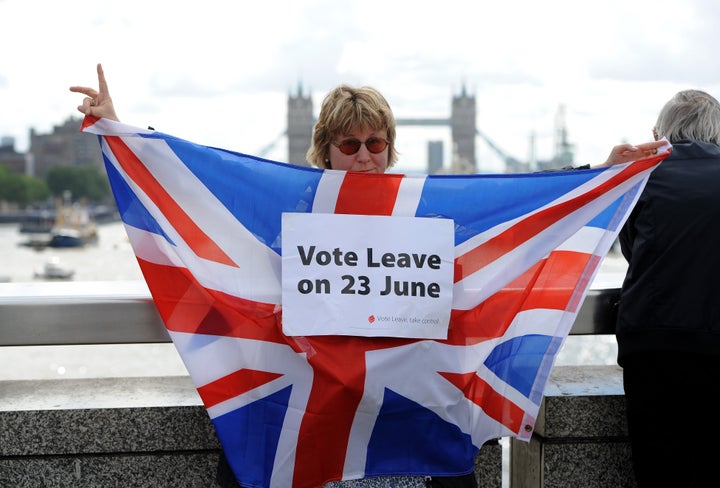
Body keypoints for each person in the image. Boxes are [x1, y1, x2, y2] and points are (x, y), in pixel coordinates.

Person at [71, 63, 666, 488]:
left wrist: (598, 178)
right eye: (349, 143)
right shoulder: (288, 218)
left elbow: (512, 220)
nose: (364, 155)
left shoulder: (430, 215)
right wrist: (121, 131)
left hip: (407, 413)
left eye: (376, 142)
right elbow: (200, 198)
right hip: (316, 410)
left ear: (390, 146)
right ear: (324, 148)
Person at [615, 89, 720, 488]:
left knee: (660, 471)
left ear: (660, 133)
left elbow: (632, 250)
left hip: (653, 350)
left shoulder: (642, 178)